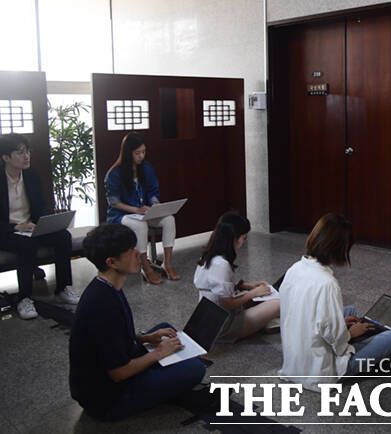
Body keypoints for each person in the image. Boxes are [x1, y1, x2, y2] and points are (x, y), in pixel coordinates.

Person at [69, 224, 205, 421]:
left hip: (114, 369)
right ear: (112, 262)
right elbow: (118, 373)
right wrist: (159, 353)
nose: (138, 254)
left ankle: (162, 365)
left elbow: (115, 336)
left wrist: (146, 338)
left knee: (165, 329)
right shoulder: (103, 306)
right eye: (130, 251)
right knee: (195, 369)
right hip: (108, 399)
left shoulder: (107, 285)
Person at [278, 213, 391, 391]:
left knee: (350, 311)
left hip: (294, 363)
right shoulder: (327, 284)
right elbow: (338, 343)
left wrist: (341, 324)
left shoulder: (294, 269)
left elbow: (303, 314)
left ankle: (363, 329)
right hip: (320, 373)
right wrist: (350, 333)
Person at [0, 133, 78, 320]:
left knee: (63, 237)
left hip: (30, 227)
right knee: (26, 245)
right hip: (6, 231)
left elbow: (40, 206)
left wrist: (43, 224)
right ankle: (25, 298)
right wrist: (16, 227)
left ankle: (63, 289)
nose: (26, 156)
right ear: (6, 157)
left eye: (28, 151)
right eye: (20, 152)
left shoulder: (31, 175)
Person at [105, 132, 179, 284]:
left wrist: (155, 205)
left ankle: (167, 264)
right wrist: (136, 210)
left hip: (143, 212)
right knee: (140, 225)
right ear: (128, 153)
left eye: (144, 152)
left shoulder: (146, 168)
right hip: (121, 215)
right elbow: (114, 202)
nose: (141, 156)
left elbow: (152, 192)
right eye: (137, 153)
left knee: (169, 219)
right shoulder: (115, 173)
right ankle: (146, 268)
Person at [194, 211, 279, 341]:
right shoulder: (221, 265)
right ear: (234, 238)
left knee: (261, 299)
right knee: (278, 304)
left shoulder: (208, 255)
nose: (244, 241)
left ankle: (264, 321)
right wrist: (253, 293)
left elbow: (215, 287)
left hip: (210, 317)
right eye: (244, 237)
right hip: (223, 325)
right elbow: (228, 304)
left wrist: (245, 286)